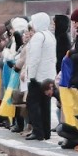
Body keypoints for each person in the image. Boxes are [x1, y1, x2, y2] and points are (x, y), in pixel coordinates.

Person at [22, 10, 57, 141]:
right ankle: (46, 132)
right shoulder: (50, 36)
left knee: (34, 104)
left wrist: (31, 75)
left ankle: (37, 131)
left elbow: (34, 58)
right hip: (48, 76)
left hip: (37, 76)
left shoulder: (38, 37)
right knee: (45, 104)